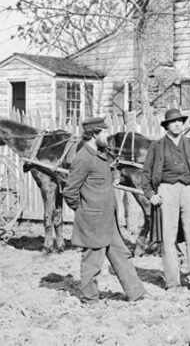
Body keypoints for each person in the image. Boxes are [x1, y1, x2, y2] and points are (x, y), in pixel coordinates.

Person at [62, 117, 149, 303]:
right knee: (92, 261)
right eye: (103, 132)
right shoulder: (83, 158)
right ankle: (90, 299)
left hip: (109, 219)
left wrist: (115, 176)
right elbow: (69, 192)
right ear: (94, 134)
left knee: (122, 255)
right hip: (93, 220)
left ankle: (137, 293)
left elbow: (111, 169)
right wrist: (86, 210)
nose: (107, 136)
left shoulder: (101, 154)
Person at [142, 108, 190, 293]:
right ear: (167, 126)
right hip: (167, 191)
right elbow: (146, 173)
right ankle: (173, 282)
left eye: (180, 121)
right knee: (168, 238)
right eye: (173, 122)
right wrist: (151, 194)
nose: (178, 124)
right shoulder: (157, 146)